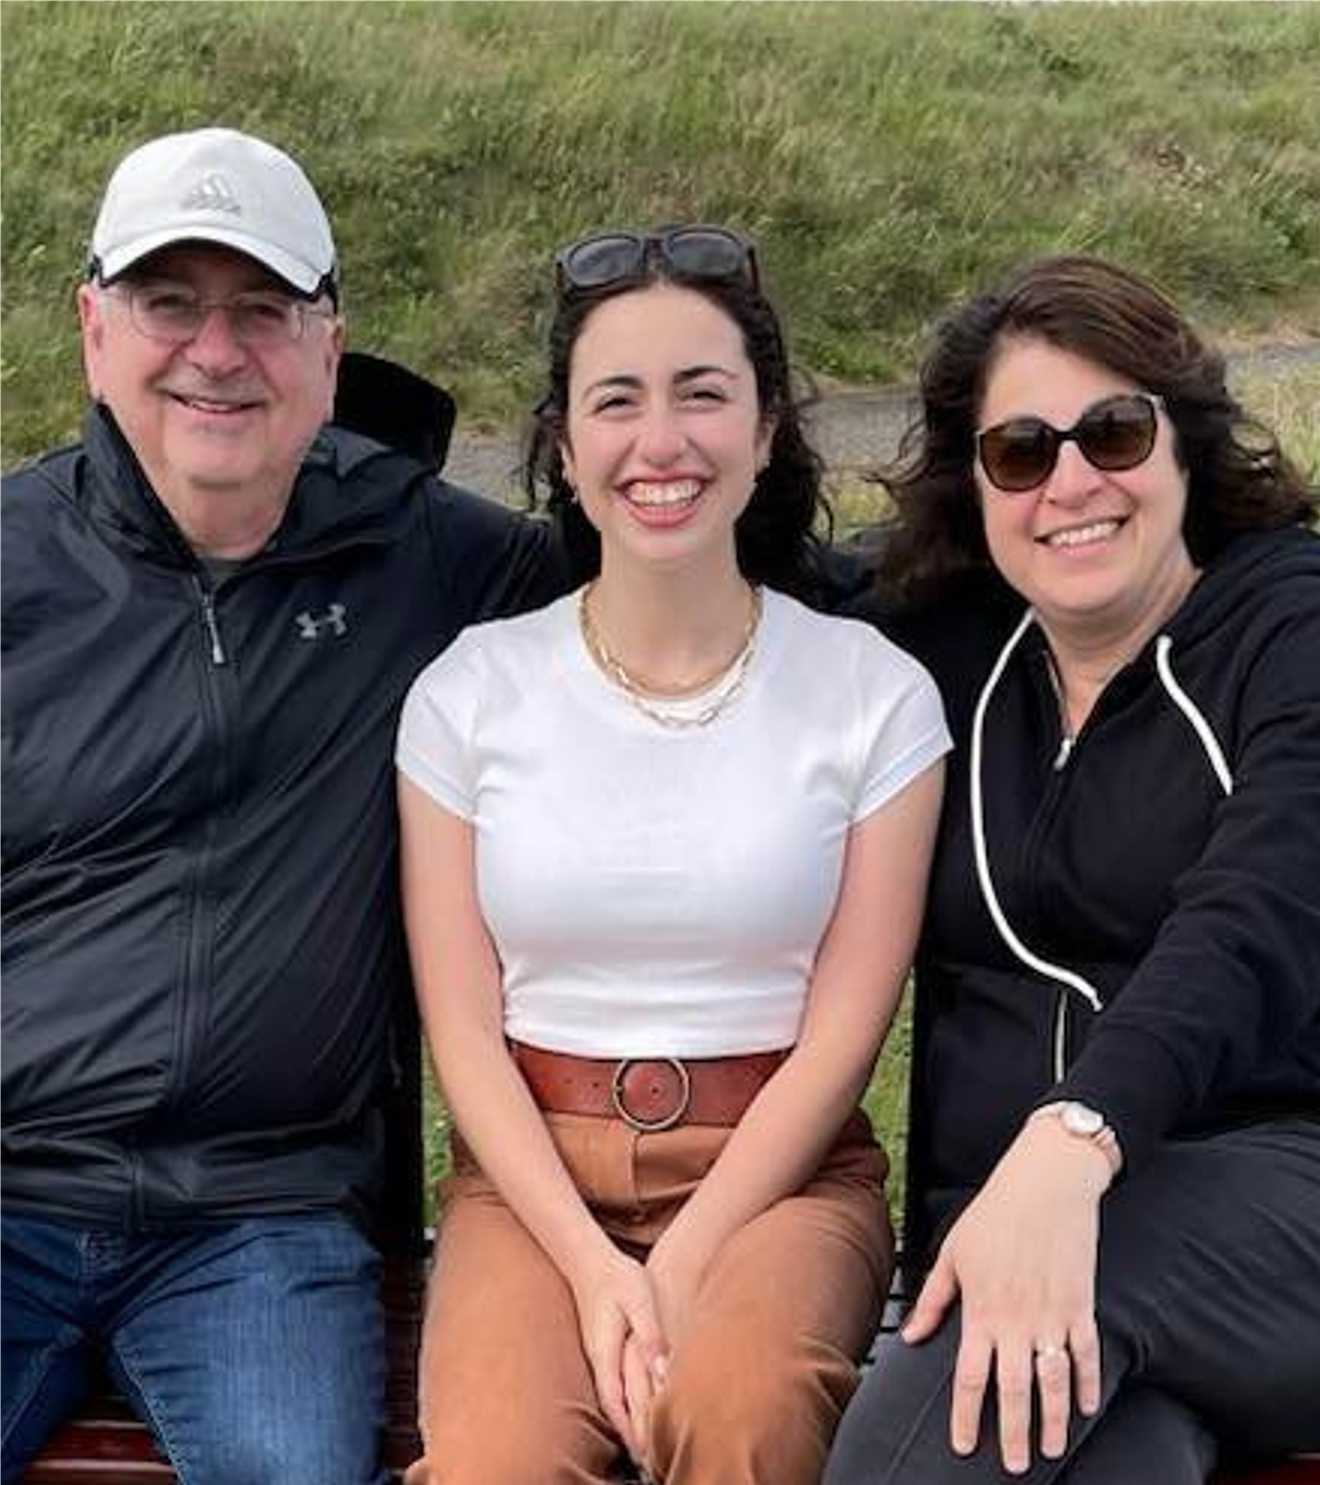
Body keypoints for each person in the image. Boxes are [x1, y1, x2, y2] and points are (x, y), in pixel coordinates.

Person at [0, 126, 561, 1484]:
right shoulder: (12, 563)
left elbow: (684, 591)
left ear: (328, 349)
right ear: (93, 328)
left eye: (262, 309)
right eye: (168, 304)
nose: (214, 350)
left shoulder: (439, 562)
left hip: (264, 1218)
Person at [395, 224, 950, 1485]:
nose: (663, 444)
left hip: (783, 1174)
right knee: (499, 1461)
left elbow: (845, 1037)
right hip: (534, 1180)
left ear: (764, 434)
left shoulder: (872, 696)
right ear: (566, 448)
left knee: (738, 1414)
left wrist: (687, 1260)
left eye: (705, 396)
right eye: (617, 403)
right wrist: (597, 1272)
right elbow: (465, 1033)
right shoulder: (469, 694)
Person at [824, 254, 1320, 1485]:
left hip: (1274, 1199)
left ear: (1185, 441)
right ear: (976, 488)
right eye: (1021, 453)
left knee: (919, 1431)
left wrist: (1073, 1140)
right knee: (1092, 1447)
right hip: (1029, 1242)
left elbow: (1255, 912)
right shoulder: (949, 644)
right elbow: (709, 561)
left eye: (1113, 431)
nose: (1072, 484)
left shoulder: (1287, 624)